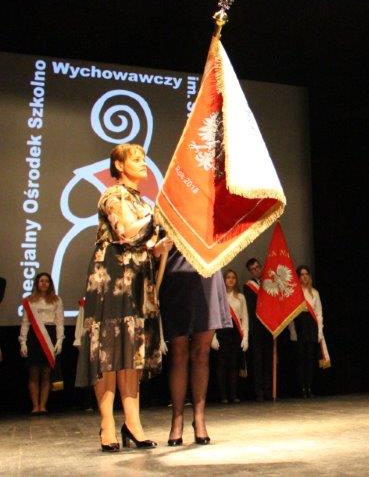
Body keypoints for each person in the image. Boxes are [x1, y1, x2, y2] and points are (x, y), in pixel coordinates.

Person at [75, 143, 171, 451]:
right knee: (108, 350)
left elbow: (146, 243)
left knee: (132, 352)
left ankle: (133, 424)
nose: (144, 164)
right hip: (112, 277)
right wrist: (161, 217)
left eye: (144, 159)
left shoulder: (144, 202)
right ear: (119, 165)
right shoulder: (112, 195)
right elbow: (126, 232)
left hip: (138, 280)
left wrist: (160, 246)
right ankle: (107, 424)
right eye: (136, 159)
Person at [159, 249, 231, 445]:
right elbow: (154, 245)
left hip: (208, 270)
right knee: (178, 354)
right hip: (176, 274)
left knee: (201, 354)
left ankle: (199, 417)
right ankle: (177, 419)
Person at [18, 272, 64, 414]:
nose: (44, 283)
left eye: (47, 281)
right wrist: (23, 342)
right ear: (37, 283)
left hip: (49, 335)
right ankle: (35, 406)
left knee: (46, 372)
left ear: (50, 284)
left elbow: (59, 322)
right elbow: (25, 322)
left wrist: (59, 340)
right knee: (33, 372)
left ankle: (42, 406)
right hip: (34, 336)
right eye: (41, 281)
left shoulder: (56, 300)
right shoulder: (29, 300)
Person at [212, 269, 249, 403]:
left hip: (235, 334)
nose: (231, 280)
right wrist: (212, 337)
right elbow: (213, 317)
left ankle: (233, 395)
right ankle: (223, 396)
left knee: (234, 365)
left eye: (233, 277)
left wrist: (245, 338)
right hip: (221, 333)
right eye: (228, 277)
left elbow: (244, 318)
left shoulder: (241, 297)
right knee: (221, 366)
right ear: (224, 280)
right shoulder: (218, 297)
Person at [288, 265, 324, 398]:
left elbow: (319, 313)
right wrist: (292, 331)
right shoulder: (295, 293)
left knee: (310, 359)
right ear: (298, 277)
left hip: (311, 326)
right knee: (300, 359)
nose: (304, 277)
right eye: (301, 274)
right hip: (299, 325)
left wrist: (319, 331)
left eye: (306, 274)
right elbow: (290, 314)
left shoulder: (315, 293)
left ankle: (309, 387)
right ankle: (302, 388)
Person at [243, 257, 273, 401]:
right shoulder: (248, 286)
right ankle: (259, 392)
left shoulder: (269, 283)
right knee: (258, 360)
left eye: (257, 267)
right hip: (257, 327)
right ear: (250, 272)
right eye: (253, 269)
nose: (256, 270)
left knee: (268, 360)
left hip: (269, 327)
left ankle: (268, 391)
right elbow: (251, 308)